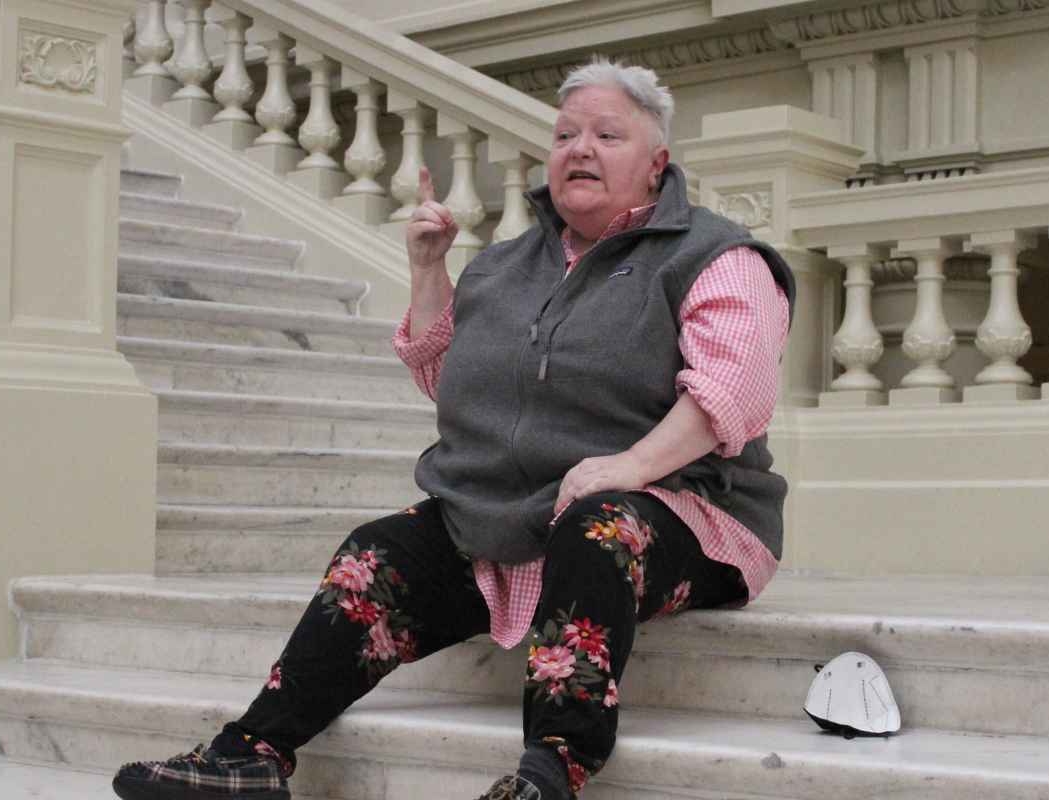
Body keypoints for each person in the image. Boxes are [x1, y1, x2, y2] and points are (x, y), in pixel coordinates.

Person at [112, 57, 795, 800]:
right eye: (565, 133)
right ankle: (250, 754)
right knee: (377, 553)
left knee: (597, 529)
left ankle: (550, 775)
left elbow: (734, 391)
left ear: (657, 163)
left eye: (607, 134)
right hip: (512, 511)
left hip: (679, 506)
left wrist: (631, 465)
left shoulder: (715, 255)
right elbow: (455, 386)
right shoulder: (506, 264)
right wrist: (431, 270)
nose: (579, 149)